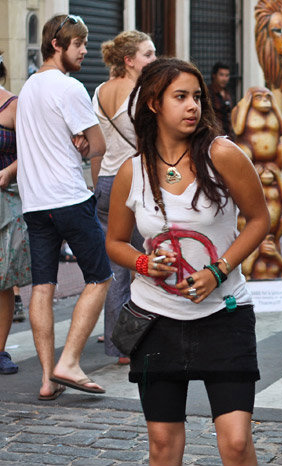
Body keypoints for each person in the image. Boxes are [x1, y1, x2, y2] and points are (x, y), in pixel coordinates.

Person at [105, 57, 269, 465]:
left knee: (234, 441)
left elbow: (260, 219)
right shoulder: (132, 171)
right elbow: (115, 243)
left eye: (197, 97)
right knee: (162, 443)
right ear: (155, 104)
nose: (193, 105)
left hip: (224, 315)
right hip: (155, 320)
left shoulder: (223, 154)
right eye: (181, 97)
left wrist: (218, 270)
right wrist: (145, 264)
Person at [16, 14, 111, 399]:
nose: (85, 50)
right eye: (79, 44)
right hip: (68, 198)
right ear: (57, 44)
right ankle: (68, 361)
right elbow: (99, 145)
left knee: (42, 286)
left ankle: (46, 380)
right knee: (100, 277)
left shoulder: (29, 89)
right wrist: (87, 145)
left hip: (35, 202)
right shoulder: (69, 88)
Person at [93, 30, 156, 365]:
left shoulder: (100, 91)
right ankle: (141, 338)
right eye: (148, 54)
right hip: (134, 184)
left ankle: (120, 346)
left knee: (117, 268)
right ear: (129, 60)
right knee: (145, 262)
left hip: (105, 182)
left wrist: (97, 188)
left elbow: (95, 145)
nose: (154, 60)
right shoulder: (140, 94)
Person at [0, 51, 32, 376]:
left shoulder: (13, 106)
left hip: (6, 201)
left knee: (3, 280)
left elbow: (30, 152)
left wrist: (8, 171)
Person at [209, 62, 233, 136]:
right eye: (221, 75)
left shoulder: (227, 93)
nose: (224, 79)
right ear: (214, 75)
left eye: (227, 75)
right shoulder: (208, 92)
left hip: (228, 134)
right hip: (214, 135)